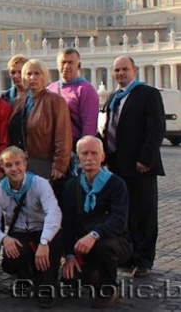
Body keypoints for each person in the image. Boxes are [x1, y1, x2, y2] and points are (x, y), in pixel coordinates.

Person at [102, 56, 165, 277]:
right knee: (125, 212)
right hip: (117, 165)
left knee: (145, 213)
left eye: (124, 69)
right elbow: (109, 127)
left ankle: (144, 259)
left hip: (141, 166)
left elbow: (156, 128)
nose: (120, 73)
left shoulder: (148, 94)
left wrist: (146, 160)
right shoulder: (113, 97)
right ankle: (128, 255)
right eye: (116, 70)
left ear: (135, 70)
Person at [0, 146, 62, 309]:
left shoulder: (40, 183)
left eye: (18, 163)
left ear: (25, 164)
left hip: (44, 229)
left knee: (50, 253)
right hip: (20, 232)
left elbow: (53, 212)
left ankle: (47, 286)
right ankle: (25, 272)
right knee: (10, 261)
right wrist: (4, 239)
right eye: (8, 165)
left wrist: (44, 241)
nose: (14, 169)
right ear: (3, 167)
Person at [62, 136, 133, 308]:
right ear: (78, 157)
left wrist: (95, 234)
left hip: (115, 240)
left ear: (102, 157)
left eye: (94, 153)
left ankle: (109, 288)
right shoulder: (72, 185)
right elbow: (68, 222)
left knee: (104, 247)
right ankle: (93, 274)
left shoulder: (117, 184)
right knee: (70, 280)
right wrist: (70, 256)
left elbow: (119, 220)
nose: (89, 158)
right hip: (84, 244)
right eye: (84, 153)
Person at [8, 59, 72, 201]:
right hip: (22, 163)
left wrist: (60, 165)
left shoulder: (55, 101)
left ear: (45, 77)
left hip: (45, 163)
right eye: (29, 74)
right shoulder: (20, 101)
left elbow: (63, 135)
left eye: (37, 73)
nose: (32, 78)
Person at [48, 49, 99, 150]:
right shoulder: (49, 89)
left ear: (79, 66)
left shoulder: (86, 90)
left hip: (74, 146)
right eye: (63, 62)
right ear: (57, 65)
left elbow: (89, 125)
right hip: (52, 147)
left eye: (70, 63)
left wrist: (84, 150)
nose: (66, 66)